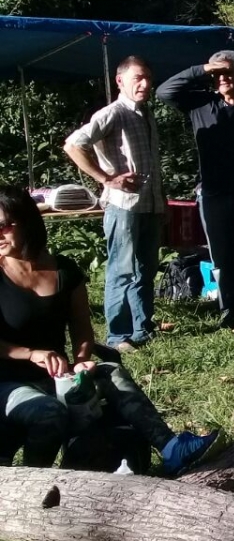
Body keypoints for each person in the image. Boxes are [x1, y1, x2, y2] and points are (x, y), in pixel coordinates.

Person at [0, 187, 216, 473]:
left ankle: (171, 447)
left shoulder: (65, 271)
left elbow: (82, 330)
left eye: (3, 226)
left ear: (26, 220)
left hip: (58, 379)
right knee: (48, 413)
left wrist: (81, 362)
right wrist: (30, 354)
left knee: (111, 372)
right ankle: (30, 485)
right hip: (9, 382)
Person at [157, 50, 234, 331]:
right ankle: (231, 312)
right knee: (220, 259)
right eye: (218, 74)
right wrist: (203, 68)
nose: (223, 78)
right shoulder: (201, 104)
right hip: (213, 195)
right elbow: (165, 92)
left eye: (229, 71)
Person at [63, 56, 165, 353]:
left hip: (150, 204)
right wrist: (106, 178)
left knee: (146, 269)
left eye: (148, 77)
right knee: (121, 269)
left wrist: (163, 202)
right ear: (120, 81)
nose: (145, 84)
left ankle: (142, 328)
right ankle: (117, 336)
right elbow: (73, 144)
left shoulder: (145, 115)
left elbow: (153, 166)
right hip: (123, 205)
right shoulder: (113, 113)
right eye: (138, 78)